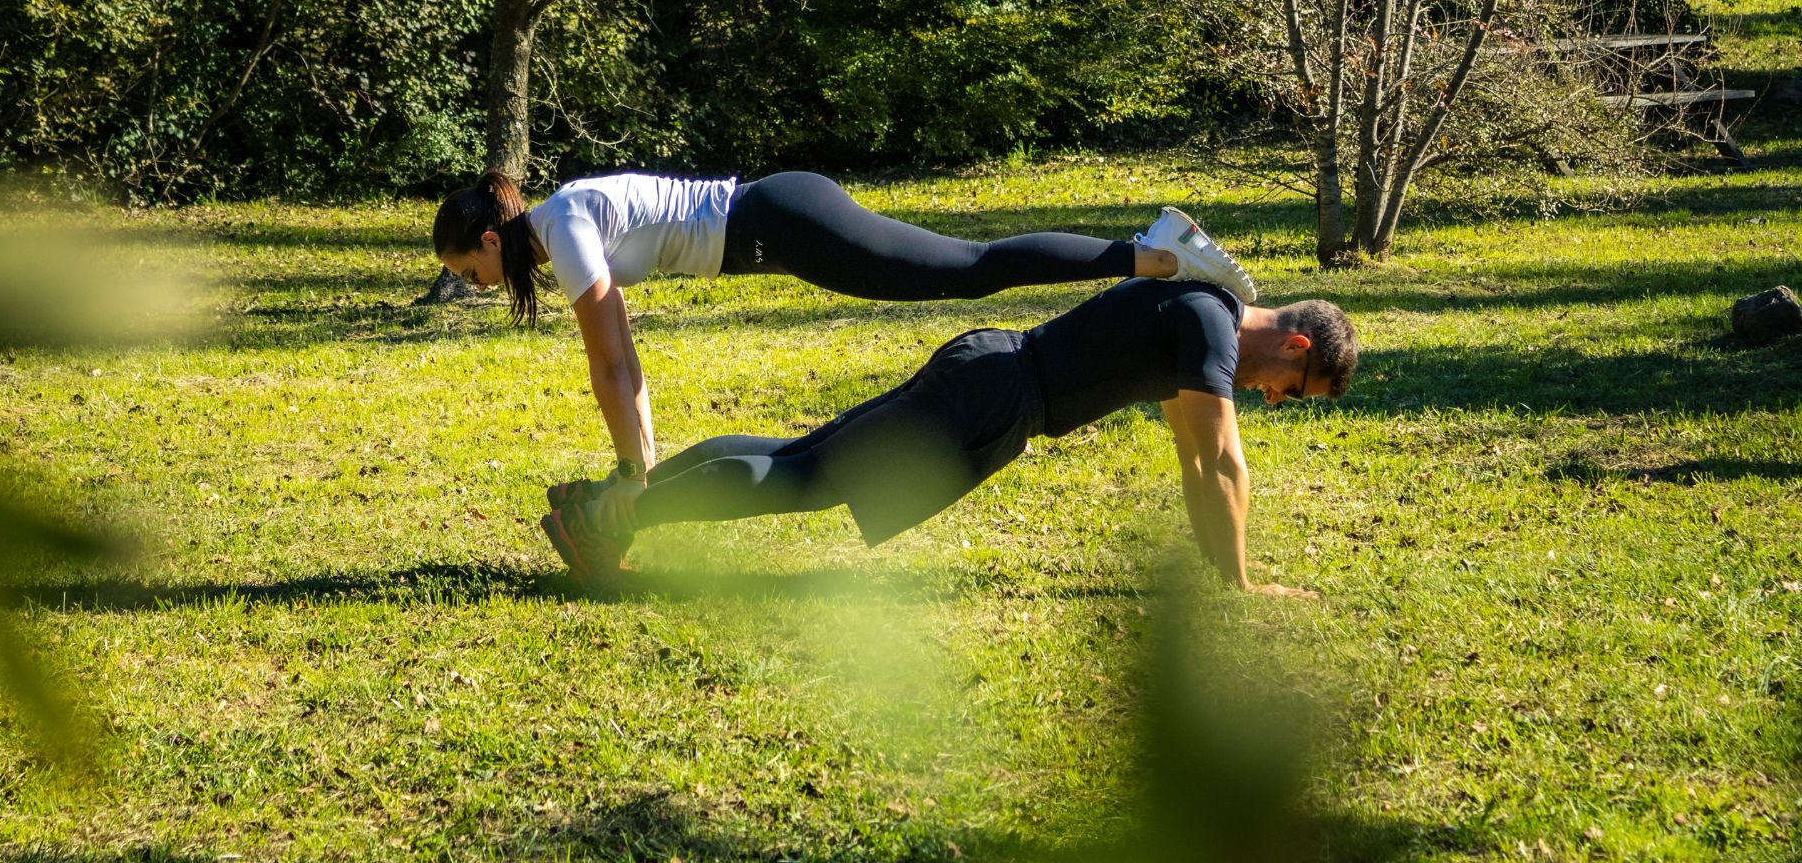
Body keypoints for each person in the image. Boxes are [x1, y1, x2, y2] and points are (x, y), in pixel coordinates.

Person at [432, 170, 1257, 487]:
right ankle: (1147, 254)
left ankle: (1153, 255)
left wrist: (630, 465)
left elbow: (612, 366)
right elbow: (624, 364)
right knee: (966, 269)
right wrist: (636, 462)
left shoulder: (568, 230)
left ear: (492, 242)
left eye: (471, 271)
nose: (477, 284)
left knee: (969, 268)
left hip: (783, 220)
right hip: (779, 229)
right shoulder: (565, 223)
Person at [539, 278, 1359, 596]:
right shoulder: (1210, 329)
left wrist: (1227, 574)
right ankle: (608, 524)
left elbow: (1194, 458)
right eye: (1297, 389)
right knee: (805, 479)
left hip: (992, 372)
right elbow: (1222, 459)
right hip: (998, 396)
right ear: (1295, 346)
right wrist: (1247, 588)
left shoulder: (1199, 319)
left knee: (800, 457)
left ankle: (609, 503)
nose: (1278, 400)